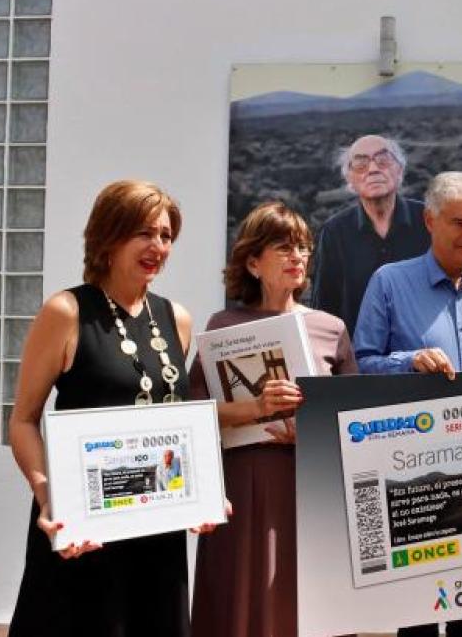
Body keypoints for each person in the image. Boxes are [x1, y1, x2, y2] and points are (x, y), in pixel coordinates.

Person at [8, 180, 216, 636]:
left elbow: (173, 425)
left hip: (157, 533)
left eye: (165, 235)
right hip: (84, 532)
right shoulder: (65, 312)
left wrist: (200, 494)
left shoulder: (176, 319)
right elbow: (23, 420)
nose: (157, 246)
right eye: (143, 232)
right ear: (107, 237)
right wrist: (48, 494)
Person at [353, 171, 462, 637]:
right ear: (429, 221)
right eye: (459, 223)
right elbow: (362, 363)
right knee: (418, 613)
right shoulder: (389, 282)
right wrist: (410, 362)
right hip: (415, 471)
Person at [189, 201, 358, 637]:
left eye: (303, 247)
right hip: (241, 484)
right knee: (239, 598)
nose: (298, 256)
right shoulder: (222, 325)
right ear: (252, 261)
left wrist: (313, 432)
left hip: (309, 486)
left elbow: (354, 421)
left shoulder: (331, 328)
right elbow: (192, 416)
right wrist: (255, 408)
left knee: (302, 601)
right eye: (284, 247)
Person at [312, 135, 431, 334]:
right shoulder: (335, 232)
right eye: (360, 164)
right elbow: (325, 307)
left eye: (383, 160)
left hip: (427, 354)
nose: (373, 169)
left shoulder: (431, 221)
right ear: (349, 178)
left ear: (400, 169)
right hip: (361, 359)